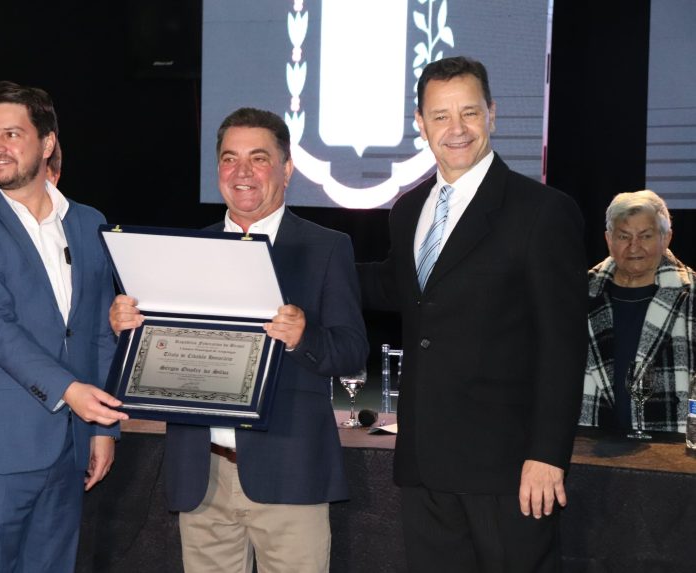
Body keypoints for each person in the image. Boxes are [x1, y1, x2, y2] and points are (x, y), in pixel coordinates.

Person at [109, 107, 368, 573]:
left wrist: (303, 336)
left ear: (287, 169)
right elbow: (162, 355)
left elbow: (351, 351)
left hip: (290, 476)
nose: (242, 172)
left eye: (259, 158)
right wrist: (129, 329)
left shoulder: (327, 247)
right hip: (202, 476)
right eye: (230, 159)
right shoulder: (184, 251)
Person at [357, 56, 587, 572]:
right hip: (424, 464)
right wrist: (306, 271)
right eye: (441, 116)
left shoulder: (542, 211)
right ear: (420, 123)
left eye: (469, 112)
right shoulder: (408, 210)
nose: (456, 129)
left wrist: (548, 454)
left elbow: (563, 346)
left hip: (508, 470)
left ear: (492, 114)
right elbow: (397, 285)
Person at [0, 81, 128, 573]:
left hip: (69, 450)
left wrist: (102, 427)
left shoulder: (88, 222)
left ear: (46, 143)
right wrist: (70, 391)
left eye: (11, 134)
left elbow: (98, 333)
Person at [581, 190, 695, 433]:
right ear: (609, 239)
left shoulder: (692, 294)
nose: (634, 246)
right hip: (590, 442)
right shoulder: (578, 293)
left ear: (666, 238)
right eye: (624, 236)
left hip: (673, 445)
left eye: (645, 236)